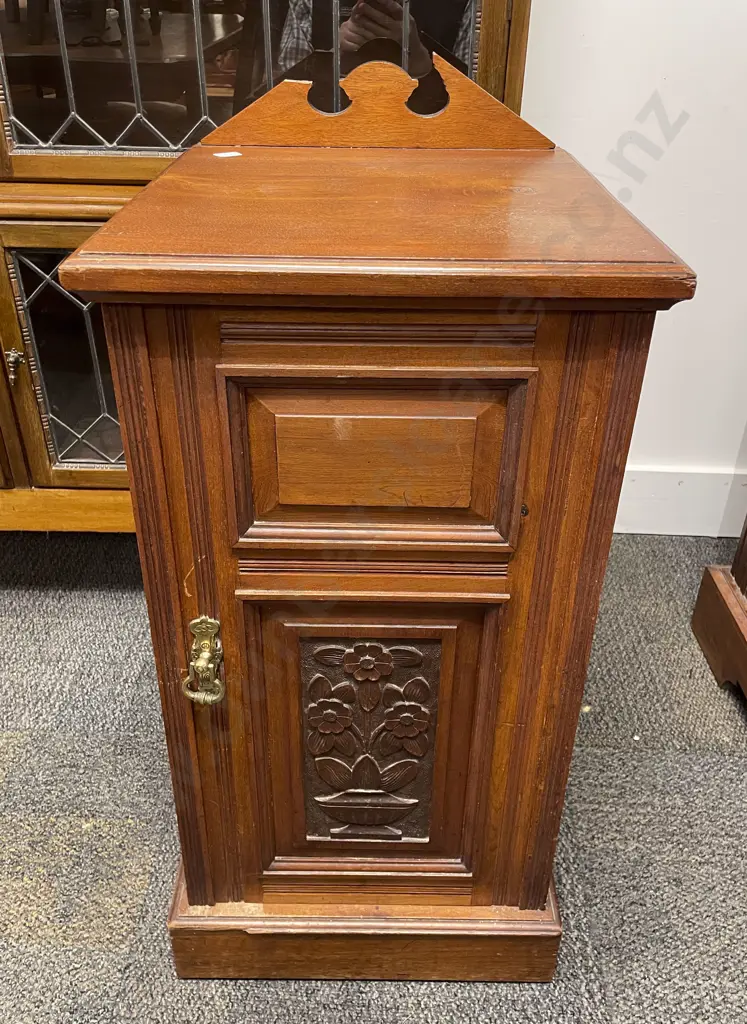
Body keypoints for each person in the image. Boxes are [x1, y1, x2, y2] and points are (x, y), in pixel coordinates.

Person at [278, 0, 473, 79]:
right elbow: (284, 96)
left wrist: (419, 61)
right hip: (328, 136)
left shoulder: (465, 5)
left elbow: (475, 102)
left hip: (429, 139)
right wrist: (335, 56)